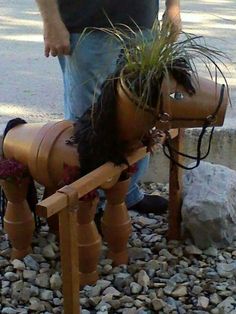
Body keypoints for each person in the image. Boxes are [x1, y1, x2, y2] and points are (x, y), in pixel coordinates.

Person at [36, 0, 181, 214]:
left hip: (142, 25)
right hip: (86, 27)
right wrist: (51, 21)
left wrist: (173, 7)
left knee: (140, 116)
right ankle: (89, 209)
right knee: (89, 123)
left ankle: (127, 194)